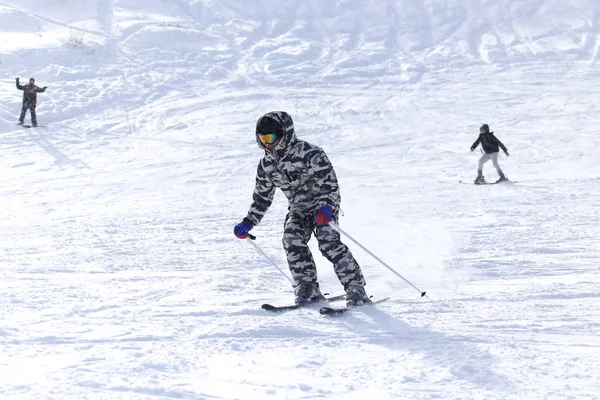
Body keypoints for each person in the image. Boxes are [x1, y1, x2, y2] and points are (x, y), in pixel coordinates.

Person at [233, 111, 371, 307]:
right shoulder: (266, 165)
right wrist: (249, 222)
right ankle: (307, 287)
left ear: (285, 134)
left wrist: (327, 207)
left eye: (271, 138)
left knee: (328, 242)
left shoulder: (310, 153)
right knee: (291, 238)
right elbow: (262, 197)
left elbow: (329, 183)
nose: (267, 143)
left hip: (322, 206)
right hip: (298, 208)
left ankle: (356, 288)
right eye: (263, 139)